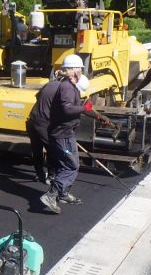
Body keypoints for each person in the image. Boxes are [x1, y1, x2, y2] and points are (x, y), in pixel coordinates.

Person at [40, 54, 110, 214]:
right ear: (72, 70)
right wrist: (84, 109)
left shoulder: (70, 88)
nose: (81, 72)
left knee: (64, 165)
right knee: (71, 166)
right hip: (62, 134)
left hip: (65, 133)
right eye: (79, 69)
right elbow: (67, 109)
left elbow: (82, 108)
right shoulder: (66, 87)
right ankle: (51, 195)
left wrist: (100, 116)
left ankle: (62, 193)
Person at [26, 74, 90, 186]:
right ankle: (52, 176)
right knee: (53, 150)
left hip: (32, 121)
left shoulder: (51, 84)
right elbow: (66, 110)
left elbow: (38, 97)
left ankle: (39, 174)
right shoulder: (64, 90)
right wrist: (84, 108)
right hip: (44, 124)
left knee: (36, 150)